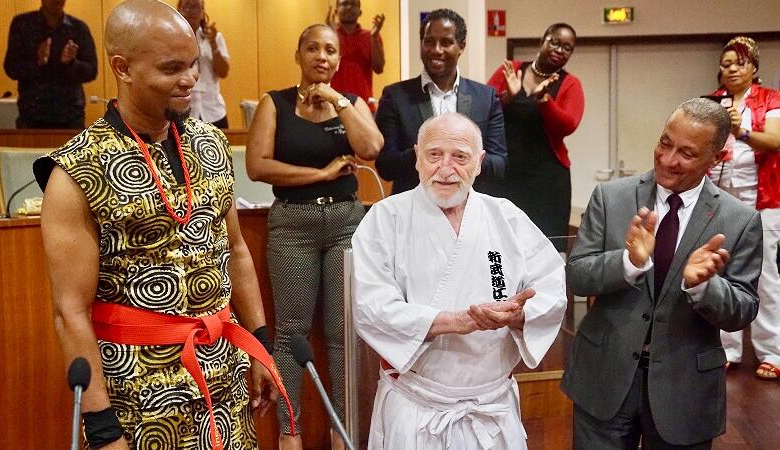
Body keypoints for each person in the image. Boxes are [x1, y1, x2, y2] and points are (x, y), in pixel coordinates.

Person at [32, 1, 290, 448]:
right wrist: (101, 425)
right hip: (138, 395)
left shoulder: (210, 142)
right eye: (172, 68)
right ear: (123, 68)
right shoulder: (75, 170)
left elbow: (236, 250)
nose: (189, 78)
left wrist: (261, 348)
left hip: (223, 381)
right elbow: (69, 311)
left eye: (192, 64)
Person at [352, 112, 567, 449]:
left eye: (460, 157)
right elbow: (371, 306)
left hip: (491, 409)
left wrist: (520, 315)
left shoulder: (506, 217)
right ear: (417, 159)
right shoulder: (385, 218)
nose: (446, 168)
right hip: (417, 410)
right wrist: (454, 321)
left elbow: (551, 286)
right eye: (434, 155)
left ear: (479, 163)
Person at [562, 98, 763, 449]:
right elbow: (577, 275)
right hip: (604, 380)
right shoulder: (611, 198)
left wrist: (703, 286)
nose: (668, 160)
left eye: (686, 153)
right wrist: (629, 264)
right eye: (665, 143)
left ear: (716, 159)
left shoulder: (740, 221)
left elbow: (743, 310)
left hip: (685, 391)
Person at [245, 23, 382, 450]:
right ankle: (291, 434)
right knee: (291, 334)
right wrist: (320, 174)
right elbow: (257, 166)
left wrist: (339, 100)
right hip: (293, 226)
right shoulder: (275, 103)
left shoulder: (352, 103)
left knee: (344, 335)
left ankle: (342, 435)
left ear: (340, 59)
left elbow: (372, 147)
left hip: (345, 223)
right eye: (312, 49)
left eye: (330, 51)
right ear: (299, 54)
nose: (322, 57)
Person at [708, 36, 780, 379]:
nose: (730, 69)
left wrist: (741, 132)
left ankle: (773, 352)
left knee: (765, 275)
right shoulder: (713, 101)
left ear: (753, 67)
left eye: (738, 63)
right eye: (725, 64)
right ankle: (727, 348)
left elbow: (774, 141)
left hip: (763, 200)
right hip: (720, 198)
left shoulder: (772, 98)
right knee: (722, 271)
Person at [375, 8, 507, 195]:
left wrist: (462, 156)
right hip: (413, 211)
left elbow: (499, 165)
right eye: (429, 41)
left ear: (461, 47)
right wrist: (425, 153)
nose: (436, 50)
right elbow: (385, 166)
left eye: (446, 42)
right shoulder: (395, 97)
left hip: (468, 213)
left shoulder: (486, 98)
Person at [487, 23, 584, 253]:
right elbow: (484, 108)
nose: (560, 50)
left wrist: (545, 101)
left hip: (546, 180)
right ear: (543, 40)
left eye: (567, 48)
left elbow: (568, 125)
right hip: (505, 175)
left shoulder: (570, 84)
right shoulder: (511, 71)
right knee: (501, 243)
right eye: (555, 41)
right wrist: (506, 98)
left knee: (544, 247)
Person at [4, 0, 97, 129]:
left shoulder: (78, 28)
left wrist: (71, 63)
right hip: (31, 117)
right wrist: (38, 61)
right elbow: (11, 68)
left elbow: (91, 71)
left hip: (70, 117)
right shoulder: (22, 24)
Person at [177, 0, 230, 128]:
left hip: (213, 110)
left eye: (196, 7)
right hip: (183, 111)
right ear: (179, 10)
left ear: (202, 12)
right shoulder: (172, 38)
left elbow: (223, 72)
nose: (191, 11)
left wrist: (213, 46)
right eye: (187, 6)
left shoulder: (215, 37)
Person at [326, 0, 385, 106]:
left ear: (360, 12)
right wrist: (333, 34)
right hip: (333, 105)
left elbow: (379, 68)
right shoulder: (327, 36)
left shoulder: (371, 35)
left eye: (353, 4)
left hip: (363, 106)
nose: (349, 7)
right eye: (344, 4)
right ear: (336, 11)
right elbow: (327, 67)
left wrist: (374, 37)